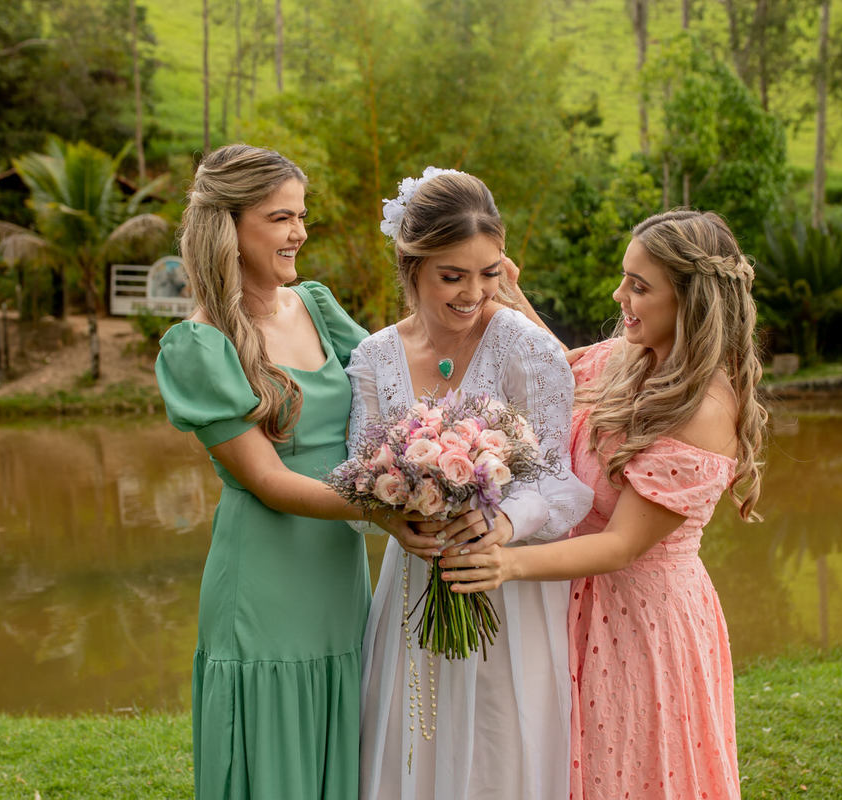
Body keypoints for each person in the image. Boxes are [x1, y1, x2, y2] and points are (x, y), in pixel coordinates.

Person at [440, 209, 767, 800]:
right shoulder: (632, 356)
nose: (621, 296)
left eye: (639, 287)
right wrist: (506, 294)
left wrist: (505, 562)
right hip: (574, 597)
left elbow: (621, 545)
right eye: (624, 278)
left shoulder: (703, 408)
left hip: (641, 623)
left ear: (692, 301)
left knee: (625, 771)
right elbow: (553, 372)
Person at [154, 144, 412, 800]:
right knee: (273, 763)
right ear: (230, 228)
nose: (299, 232)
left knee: (339, 744)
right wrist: (385, 507)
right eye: (279, 218)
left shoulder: (316, 307)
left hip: (335, 572)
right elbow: (267, 480)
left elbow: (402, 376)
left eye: (301, 216)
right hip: (265, 582)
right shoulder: (201, 343)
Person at [347, 168, 594, 799]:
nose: (473, 294)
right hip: (413, 587)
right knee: (413, 747)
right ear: (411, 268)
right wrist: (388, 516)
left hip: (505, 588)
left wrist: (504, 524)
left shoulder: (529, 351)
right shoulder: (373, 358)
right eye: (452, 276)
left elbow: (562, 486)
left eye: (488, 274)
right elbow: (356, 479)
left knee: (496, 747)